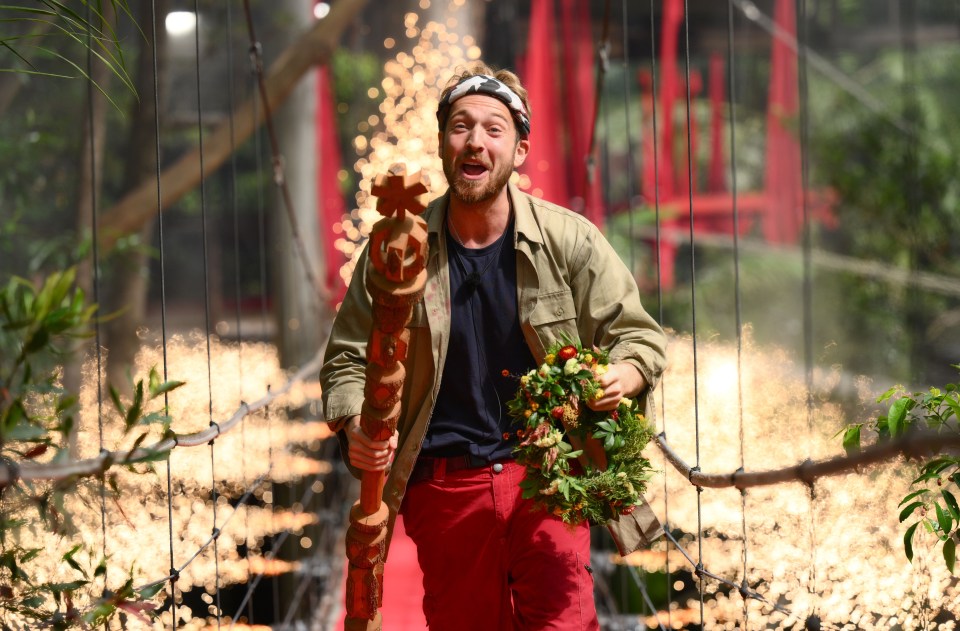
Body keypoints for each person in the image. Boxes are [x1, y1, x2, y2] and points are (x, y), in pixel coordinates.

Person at [321, 62, 667, 630]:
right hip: (444, 489)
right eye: (460, 126)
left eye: (493, 128)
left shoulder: (569, 239)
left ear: (520, 149)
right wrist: (351, 424)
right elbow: (346, 357)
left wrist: (624, 374)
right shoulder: (395, 250)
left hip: (549, 479)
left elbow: (638, 336)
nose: (475, 141)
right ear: (442, 143)